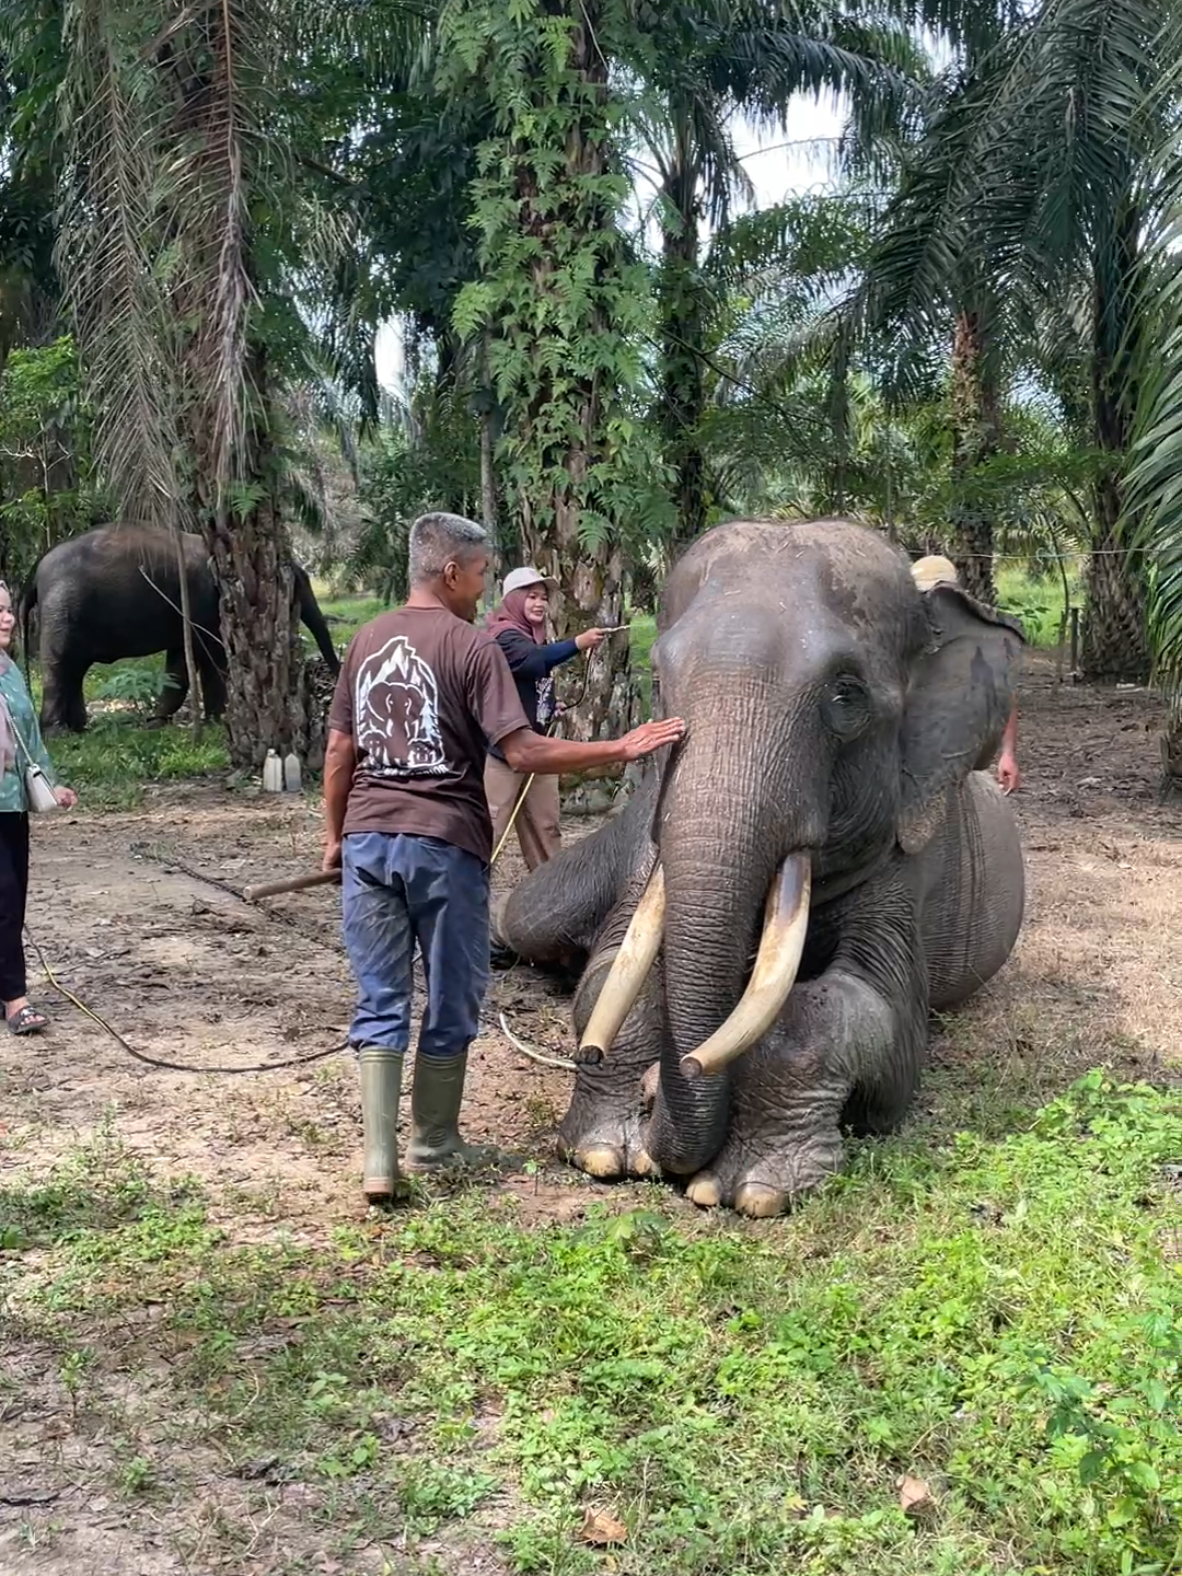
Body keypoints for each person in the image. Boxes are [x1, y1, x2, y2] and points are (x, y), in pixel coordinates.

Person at [322, 512, 685, 1203]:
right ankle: (432, 1141)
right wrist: (619, 748)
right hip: (444, 846)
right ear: (452, 571)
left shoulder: (365, 640)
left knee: (380, 998)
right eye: (484, 573)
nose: (486, 588)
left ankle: (378, 1158)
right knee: (452, 996)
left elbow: (340, 751)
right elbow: (520, 750)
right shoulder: (472, 647)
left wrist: (335, 838)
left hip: (369, 840)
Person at [483, 565, 610, 869]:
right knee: (488, 832)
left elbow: (529, 680)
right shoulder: (503, 637)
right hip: (502, 753)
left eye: (543, 598)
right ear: (513, 600)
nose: (539, 603)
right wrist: (578, 643)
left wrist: (549, 706)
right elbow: (533, 663)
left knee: (546, 829)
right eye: (531, 597)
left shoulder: (530, 636)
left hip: (539, 748)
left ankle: (549, 896)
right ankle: (466, 900)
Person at [0, 578, 78, 1035]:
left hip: (10, 803)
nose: (8, 617)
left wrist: (52, 784)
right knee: (4, 897)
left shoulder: (8, 668)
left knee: (14, 897)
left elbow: (29, 739)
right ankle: (16, 999)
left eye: (9, 609)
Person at [910, 555, 1021, 794]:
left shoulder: (981, 640)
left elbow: (1004, 694)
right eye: (925, 594)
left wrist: (1007, 754)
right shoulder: (901, 636)